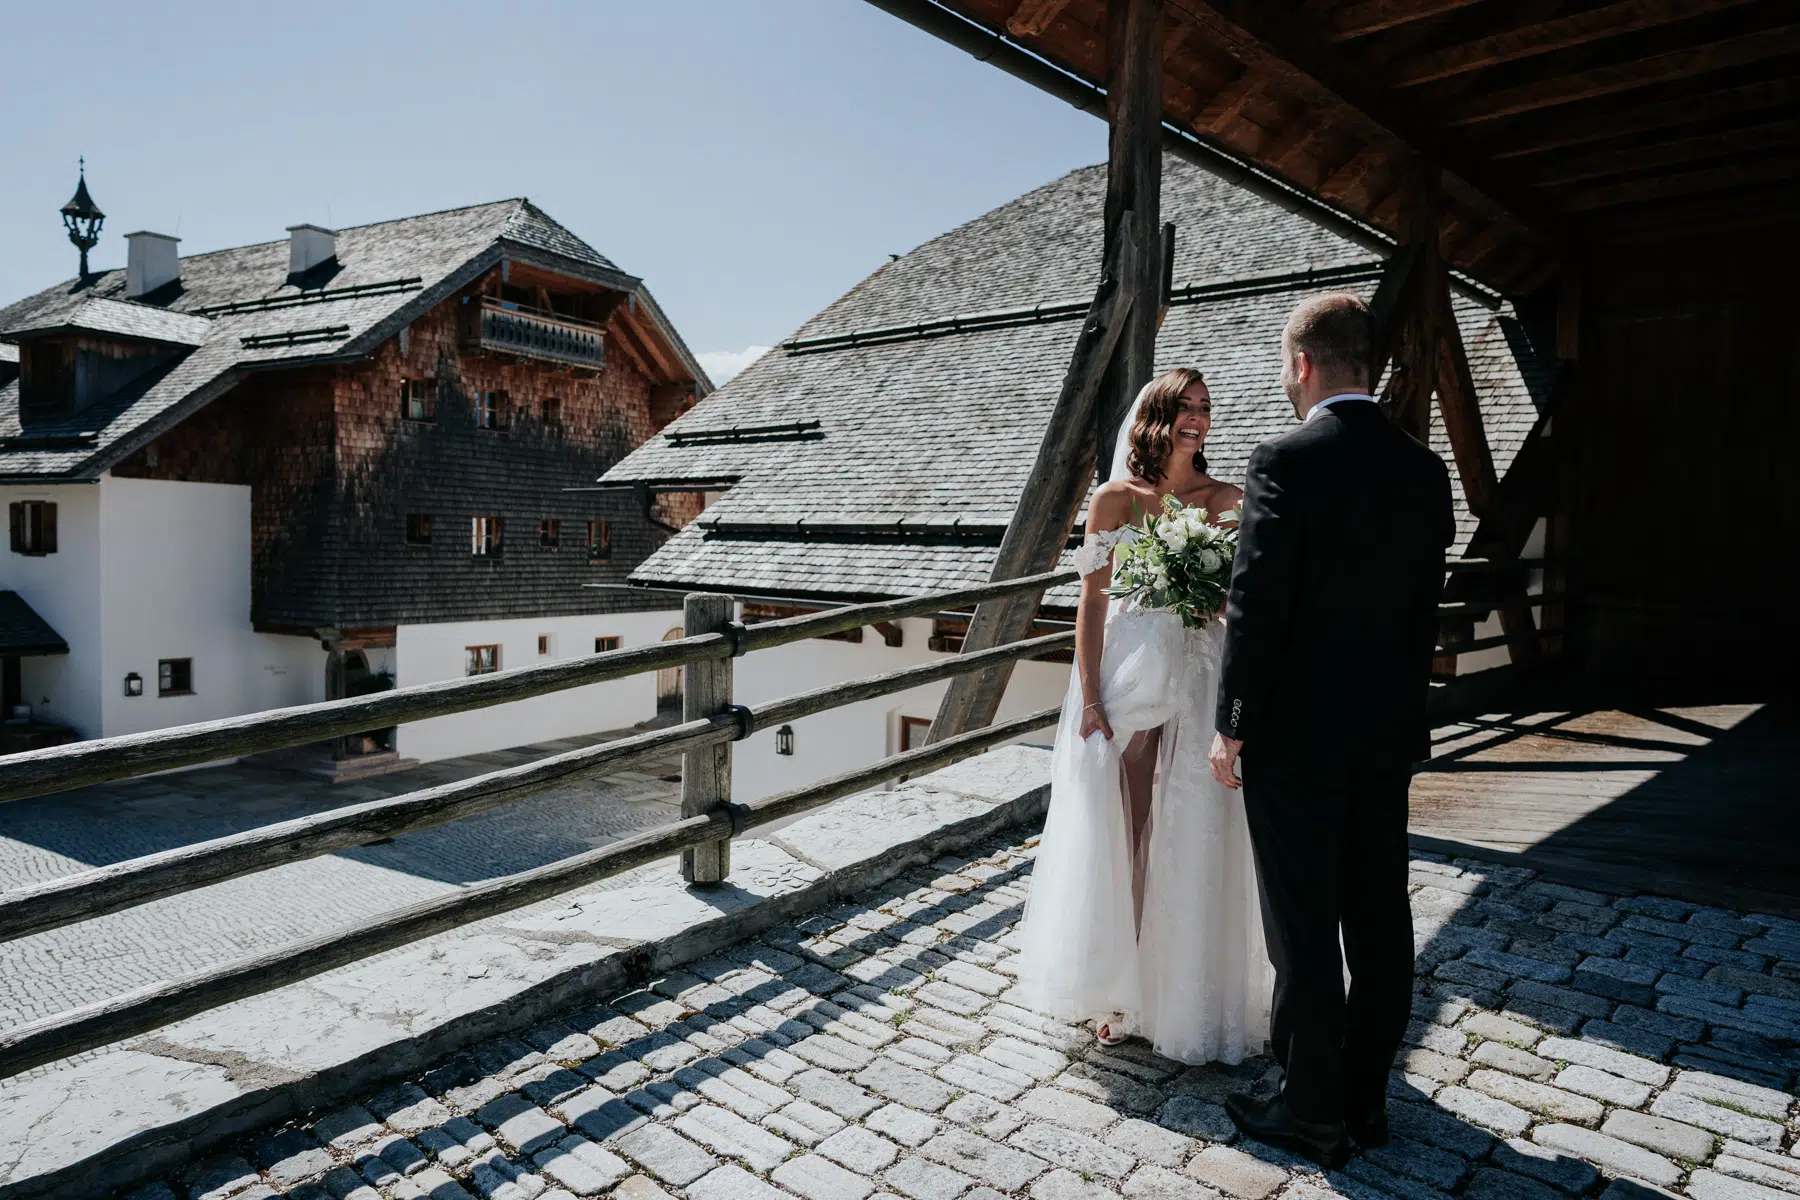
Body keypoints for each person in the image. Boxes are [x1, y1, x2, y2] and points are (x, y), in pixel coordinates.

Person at [1209, 293, 1454, 1167]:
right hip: (1387, 737)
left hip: (1299, 741)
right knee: (1380, 917)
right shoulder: (1426, 473)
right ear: (1373, 367)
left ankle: (1311, 1111)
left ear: (1304, 365)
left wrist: (1232, 723)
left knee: (1303, 927)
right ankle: (1366, 1101)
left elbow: (1258, 607)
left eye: (1285, 364)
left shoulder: (1285, 459)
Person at [1013, 366, 1272, 1065]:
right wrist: (1091, 696)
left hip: (1201, 673)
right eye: (1185, 407)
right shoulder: (1115, 499)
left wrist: (1206, 601)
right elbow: (1093, 601)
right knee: (1128, 829)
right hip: (1133, 677)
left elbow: (1243, 602)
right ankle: (1118, 988)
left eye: (1206, 409)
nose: (1198, 419)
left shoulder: (1227, 499)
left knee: (1193, 828)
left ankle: (1183, 991)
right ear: (1155, 417)